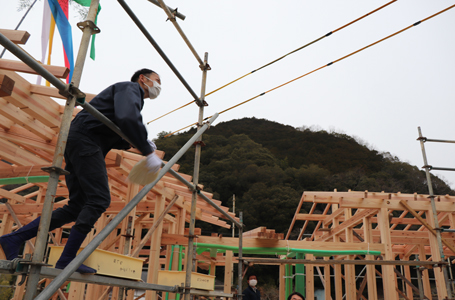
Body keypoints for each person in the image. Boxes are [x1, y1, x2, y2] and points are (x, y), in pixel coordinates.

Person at [0, 68, 162, 274]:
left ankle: (13, 238)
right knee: (99, 199)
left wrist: (134, 142)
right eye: (157, 80)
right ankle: (67, 258)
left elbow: (116, 128)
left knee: (77, 206)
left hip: (83, 142)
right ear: (143, 78)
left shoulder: (128, 98)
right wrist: (147, 151)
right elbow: (127, 118)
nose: (159, 86)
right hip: (86, 142)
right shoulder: (130, 88)